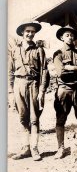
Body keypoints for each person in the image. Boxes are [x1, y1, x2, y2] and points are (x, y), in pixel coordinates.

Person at [8, 20, 48, 161]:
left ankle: (34, 148)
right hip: (19, 84)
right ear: (22, 33)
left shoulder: (39, 50)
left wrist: (42, 90)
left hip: (34, 85)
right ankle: (26, 148)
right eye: (27, 32)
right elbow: (10, 72)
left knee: (34, 119)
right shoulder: (14, 51)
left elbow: (44, 71)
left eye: (32, 32)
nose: (30, 34)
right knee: (22, 118)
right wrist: (10, 92)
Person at [52, 25, 77, 159]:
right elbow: (61, 73)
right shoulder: (58, 54)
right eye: (67, 35)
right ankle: (60, 148)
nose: (70, 37)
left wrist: (70, 67)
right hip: (64, 90)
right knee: (60, 119)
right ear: (61, 37)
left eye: (72, 35)